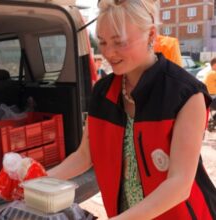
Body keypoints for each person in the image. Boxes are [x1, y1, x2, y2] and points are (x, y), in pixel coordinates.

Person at [48, 0, 215, 219]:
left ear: (151, 35)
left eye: (119, 42)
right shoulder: (103, 92)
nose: (109, 52)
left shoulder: (185, 93)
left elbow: (179, 184)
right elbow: (84, 155)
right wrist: (38, 178)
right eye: (103, 42)